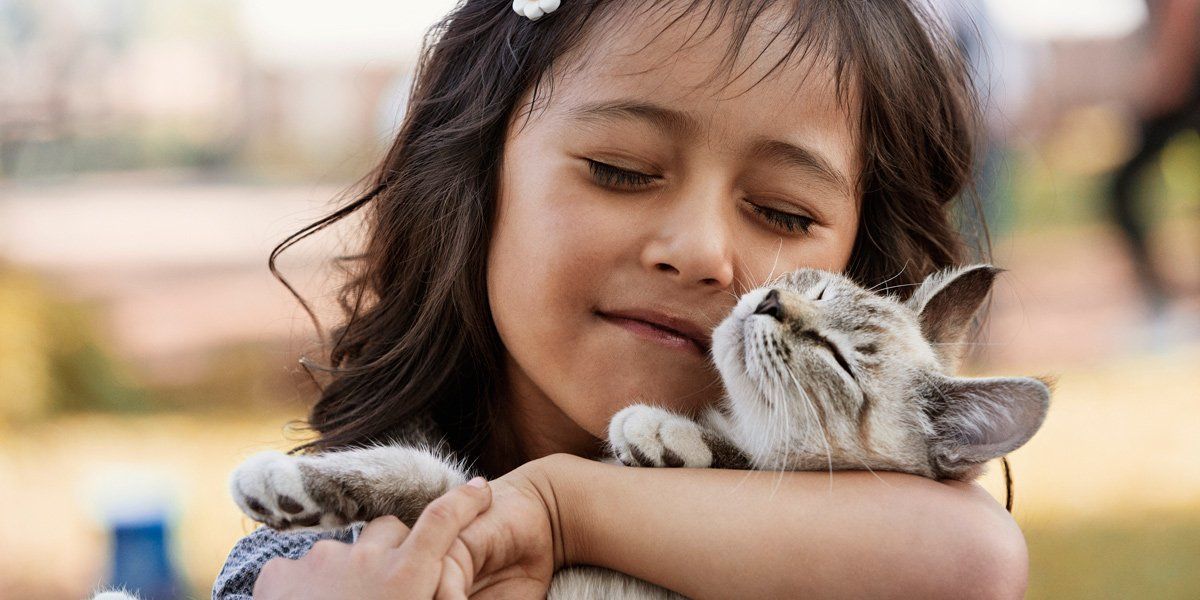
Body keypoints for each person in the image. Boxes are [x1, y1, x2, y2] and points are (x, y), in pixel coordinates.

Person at [216, 1, 1028, 598]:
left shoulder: (851, 540)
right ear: (474, 170)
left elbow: (977, 558)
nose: (700, 252)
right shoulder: (327, 553)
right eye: (621, 170)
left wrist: (563, 509)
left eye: (782, 213)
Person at [1108, 0, 1200, 314]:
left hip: (1185, 90)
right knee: (1123, 189)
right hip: (1183, 88)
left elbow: (1183, 8)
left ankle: (1159, 297)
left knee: (1122, 189)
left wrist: (1165, 78)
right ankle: (1159, 293)